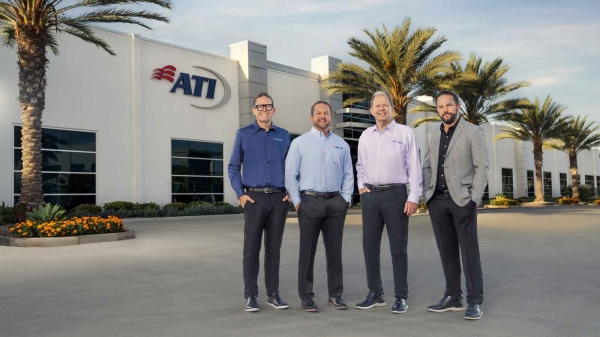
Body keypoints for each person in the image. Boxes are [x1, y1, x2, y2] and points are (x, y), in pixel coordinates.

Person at [422, 90, 489, 320]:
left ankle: (474, 301)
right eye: (440, 107)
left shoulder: (472, 131)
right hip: (437, 201)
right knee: (446, 250)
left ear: (457, 106)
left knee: (469, 251)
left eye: (449, 105)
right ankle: (452, 296)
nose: (445, 110)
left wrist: (474, 197)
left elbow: (482, 166)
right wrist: (427, 195)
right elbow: (427, 166)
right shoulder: (432, 134)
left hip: (462, 200)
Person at [354, 91, 422, 314]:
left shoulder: (405, 133)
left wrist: (413, 197)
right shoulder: (365, 136)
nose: (381, 109)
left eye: (385, 105)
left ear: (392, 108)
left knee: (398, 248)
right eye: (377, 106)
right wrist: (362, 187)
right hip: (371, 197)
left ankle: (401, 296)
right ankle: (375, 293)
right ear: (371, 111)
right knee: (369, 246)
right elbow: (360, 165)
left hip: (396, 196)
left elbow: (414, 166)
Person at [285, 100, 354, 312]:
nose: (322, 116)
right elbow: (290, 174)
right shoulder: (299, 143)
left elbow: (349, 175)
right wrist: (297, 202)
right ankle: (306, 296)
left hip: (335, 204)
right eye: (318, 113)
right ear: (311, 117)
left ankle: (336, 295)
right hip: (309, 203)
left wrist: (345, 200)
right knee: (307, 252)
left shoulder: (341, 144)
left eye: (326, 113)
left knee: (335, 252)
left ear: (331, 117)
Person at [228, 92, 291, 312]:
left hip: (278, 198)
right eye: (260, 106)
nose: (264, 109)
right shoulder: (244, 134)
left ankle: (273, 294)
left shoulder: (283, 135)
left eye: (268, 106)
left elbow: (292, 167)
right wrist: (240, 195)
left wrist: (291, 191)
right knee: (251, 249)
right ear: (254, 110)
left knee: (274, 250)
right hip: (253, 199)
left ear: (273, 110)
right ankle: (251, 296)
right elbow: (233, 167)